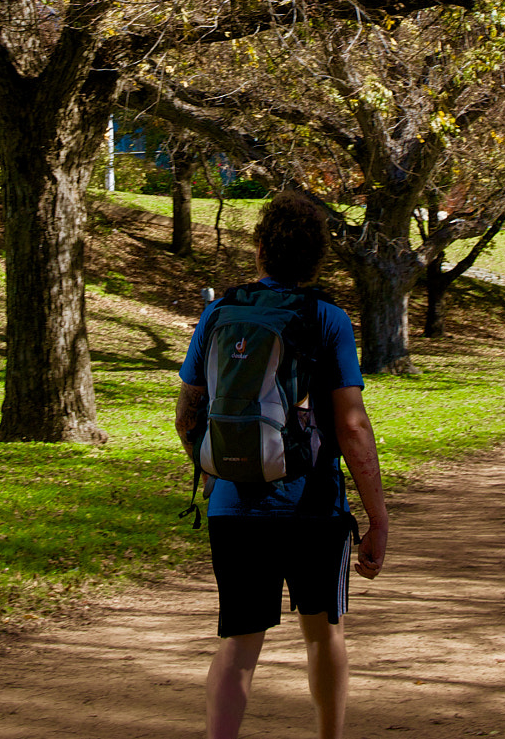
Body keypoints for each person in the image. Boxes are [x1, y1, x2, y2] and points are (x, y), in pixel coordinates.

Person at [176, 190, 389, 739]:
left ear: (260, 250)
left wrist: (222, 468)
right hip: (314, 507)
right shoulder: (328, 319)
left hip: (234, 505)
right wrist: (378, 516)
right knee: (323, 632)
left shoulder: (219, 312)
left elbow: (186, 416)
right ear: (318, 257)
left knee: (239, 642)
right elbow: (352, 426)